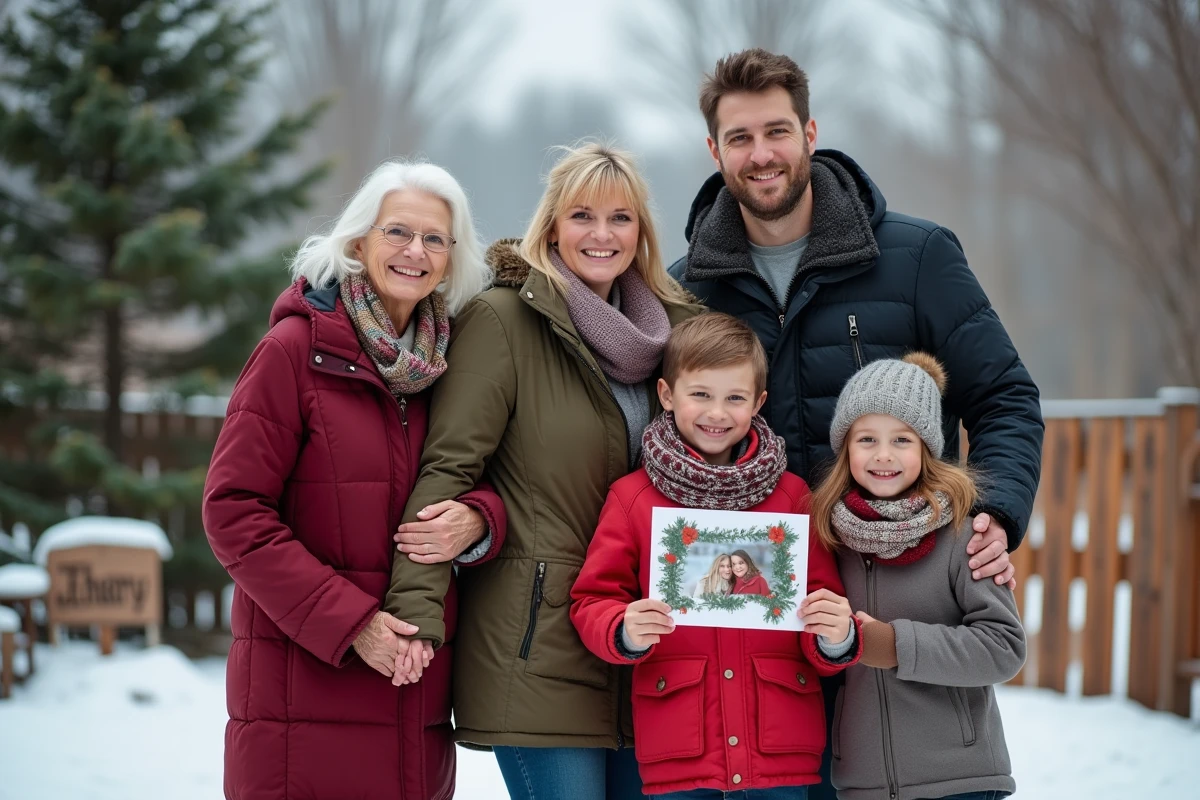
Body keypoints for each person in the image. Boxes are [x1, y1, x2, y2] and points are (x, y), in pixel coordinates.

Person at [667, 48, 1042, 798]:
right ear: (714, 150)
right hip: (760, 625)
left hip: (900, 602)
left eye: (777, 131)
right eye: (740, 138)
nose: (761, 154)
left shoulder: (916, 256)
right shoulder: (686, 290)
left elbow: (1003, 396)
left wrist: (996, 514)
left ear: (810, 132)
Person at [382, 141, 705, 800]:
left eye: (619, 218)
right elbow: (448, 467)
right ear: (552, 226)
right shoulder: (503, 321)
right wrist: (415, 616)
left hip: (650, 645)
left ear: (641, 232)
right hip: (536, 650)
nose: (601, 234)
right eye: (582, 216)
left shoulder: (676, 335)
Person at [202, 160, 502, 800]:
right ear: (359, 242)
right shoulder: (292, 351)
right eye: (398, 232)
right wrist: (353, 623)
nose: (415, 251)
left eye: (435, 238)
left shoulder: (453, 364)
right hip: (300, 694)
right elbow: (233, 511)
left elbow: (488, 476)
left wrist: (479, 517)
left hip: (412, 695)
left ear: (452, 257)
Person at [572, 312, 861, 799]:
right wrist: (623, 628)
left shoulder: (792, 498)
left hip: (780, 753)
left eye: (735, 398)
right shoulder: (633, 498)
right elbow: (592, 600)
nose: (717, 413)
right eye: (701, 394)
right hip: (680, 749)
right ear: (667, 395)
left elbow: (820, 602)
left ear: (759, 402)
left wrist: (836, 635)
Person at [811, 353, 1026, 799]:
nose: (883, 454)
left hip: (960, 778)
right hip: (864, 782)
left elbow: (1004, 647)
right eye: (866, 438)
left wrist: (892, 645)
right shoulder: (828, 538)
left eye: (902, 439)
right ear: (845, 447)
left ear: (927, 447)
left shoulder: (965, 534)